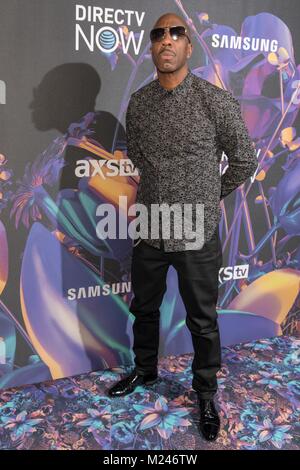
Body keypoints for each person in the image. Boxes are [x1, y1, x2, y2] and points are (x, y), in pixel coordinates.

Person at [107, 12, 258, 442]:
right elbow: (139, 156)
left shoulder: (215, 100)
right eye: (158, 35)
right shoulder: (139, 103)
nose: (166, 41)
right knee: (144, 309)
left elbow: (244, 161)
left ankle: (206, 394)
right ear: (152, 47)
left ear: (188, 47)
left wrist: (208, 198)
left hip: (196, 231)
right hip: (151, 226)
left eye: (176, 33)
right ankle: (145, 371)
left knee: (202, 320)